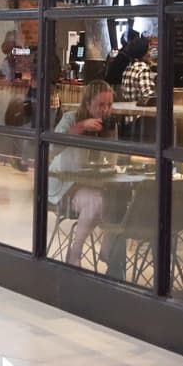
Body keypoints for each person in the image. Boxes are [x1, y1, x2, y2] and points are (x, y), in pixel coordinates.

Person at [48, 80, 117, 266]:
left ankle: (110, 252)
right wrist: (80, 128)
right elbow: (52, 147)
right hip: (66, 184)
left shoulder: (109, 125)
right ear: (87, 104)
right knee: (96, 202)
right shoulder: (71, 118)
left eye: (109, 105)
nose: (105, 110)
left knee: (120, 201)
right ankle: (75, 252)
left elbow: (112, 159)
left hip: (98, 183)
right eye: (100, 105)